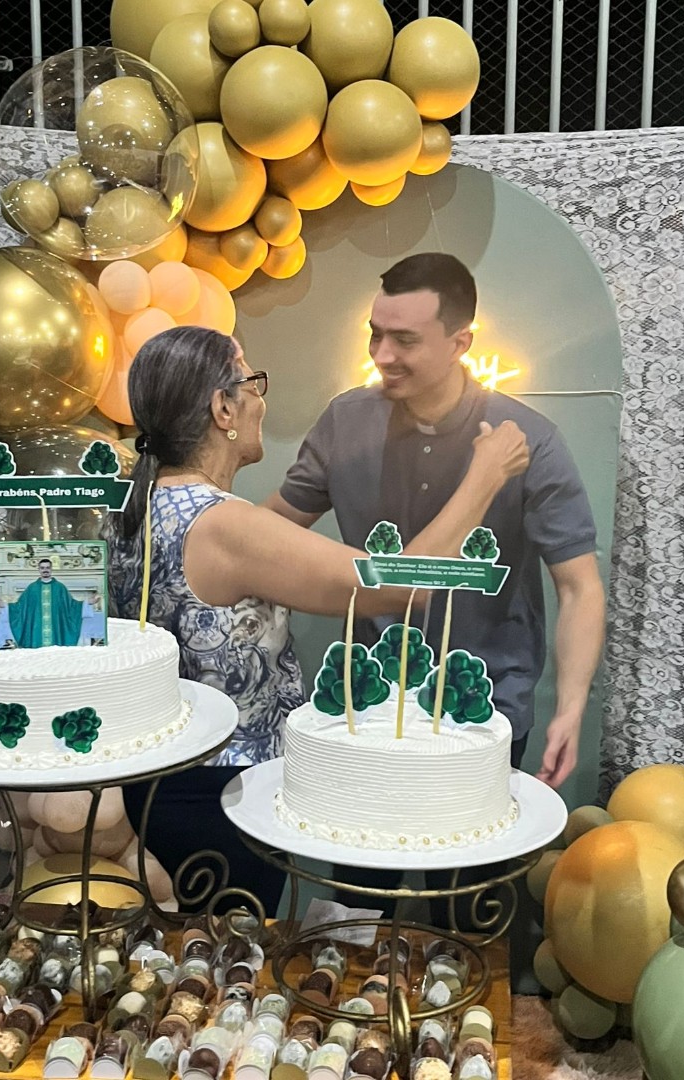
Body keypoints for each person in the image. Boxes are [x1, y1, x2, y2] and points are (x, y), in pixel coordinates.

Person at [107, 324, 530, 917]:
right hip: (221, 795)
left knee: (194, 954)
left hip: (161, 784)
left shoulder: (137, 507)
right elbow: (397, 587)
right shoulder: (223, 524)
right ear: (222, 407)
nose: (261, 399)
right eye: (252, 382)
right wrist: (485, 476)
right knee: (230, 953)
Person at [266, 252, 605, 787]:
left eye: (405, 340)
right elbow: (272, 531)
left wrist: (571, 706)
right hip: (366, 702)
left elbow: (579, 586)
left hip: (484, 704)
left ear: (460, 342)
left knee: (468, 842)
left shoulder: (528, 440)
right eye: (376, 334)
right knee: (362, 841)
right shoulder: (345, 421)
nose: (383, 355)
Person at [0, 558, 83, 649]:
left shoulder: (60, 587)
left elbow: (71, 606)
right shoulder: (32, 588)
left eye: (47, 568)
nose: (45, 570)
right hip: (37, 629)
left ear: (51, 569)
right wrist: (5, 606)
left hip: (55, 629)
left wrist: (86, 604)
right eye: (42, 568)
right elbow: (20, 607)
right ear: (39, 569)